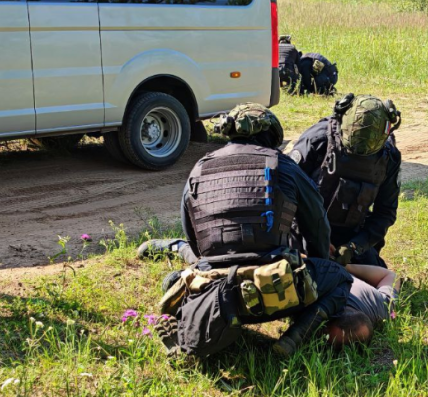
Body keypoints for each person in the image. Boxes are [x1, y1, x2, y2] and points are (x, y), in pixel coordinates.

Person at [138, 103, 352, 358]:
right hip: (276, 291)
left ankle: (189, 313)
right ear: (271, 133)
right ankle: (293, 339)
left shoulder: (199, 169)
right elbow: (318, 226)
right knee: (340, 277)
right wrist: (318, 262)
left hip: (214, 290)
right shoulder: (283, 166)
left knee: (182, 275)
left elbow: (195, 242)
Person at [288, 94, 403, 268]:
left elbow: (385, 213)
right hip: (304, 229)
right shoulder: (318, 140)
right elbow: (284, 190)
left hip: (350, 238)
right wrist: (314, 238)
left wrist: (354, 247)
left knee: (374, 280)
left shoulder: (389, 158)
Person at [325, 264, 401, 349]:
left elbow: (391, 276)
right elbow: (391, 276)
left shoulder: (380, 307)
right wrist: (346, 266)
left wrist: (346, 267)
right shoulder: (380, 306)